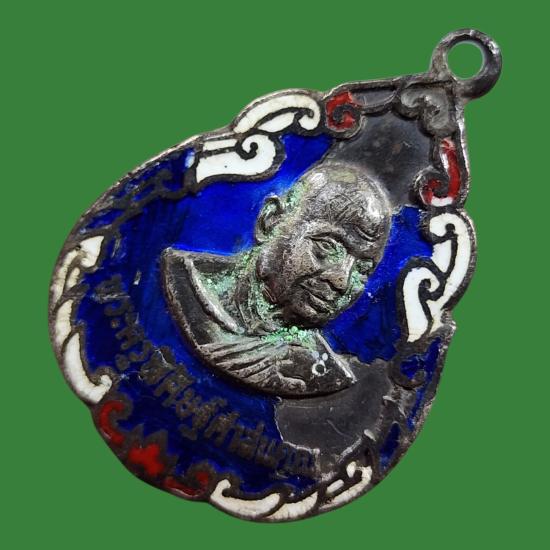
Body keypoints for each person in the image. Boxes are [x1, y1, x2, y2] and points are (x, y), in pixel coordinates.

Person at [161, 163, 391, 397]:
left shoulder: (319, 373)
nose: (341, 281)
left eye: (362, 269)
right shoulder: (181, 279)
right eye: (327, 247)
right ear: (270, 221)